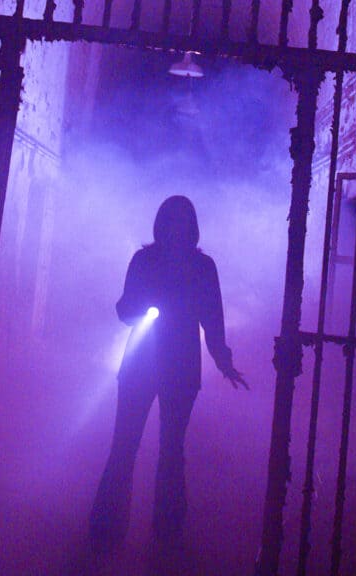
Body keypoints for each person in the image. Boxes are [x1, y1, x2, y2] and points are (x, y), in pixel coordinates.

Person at [89, 195, 248, 554]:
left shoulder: (148, 260)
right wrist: (222, 360)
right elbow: (211, 322)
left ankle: (109, 530)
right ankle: (165, 534)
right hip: (175, 367)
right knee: (159, 450)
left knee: (136, 447)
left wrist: (223, 360)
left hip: (148, 364)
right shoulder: (200, 266)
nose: (176, 230)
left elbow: (129, 312)